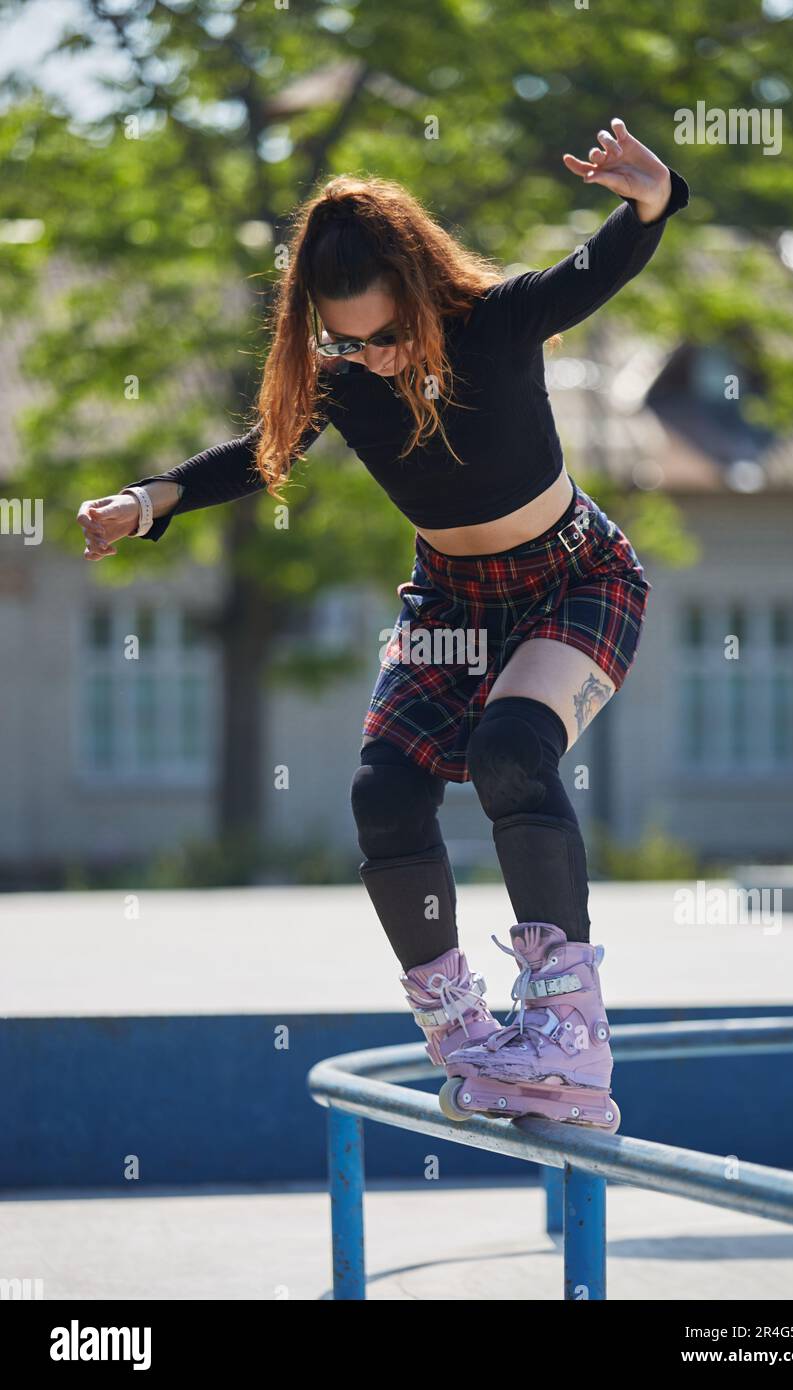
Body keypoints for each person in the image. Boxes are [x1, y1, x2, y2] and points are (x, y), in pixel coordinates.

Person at [77, 117, 689, 1129]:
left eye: (385, 334)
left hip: (571, 580)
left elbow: (599, 266)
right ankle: (464, 1031)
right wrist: (147, 502)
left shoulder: (494, 322)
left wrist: (652, 199)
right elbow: (252, 455)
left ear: (420, 296)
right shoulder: (338, 378)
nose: (367, 356)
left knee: (509, 758)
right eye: (342, 339)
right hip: (447, 602)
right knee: (382, 797)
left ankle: (566, 1032)